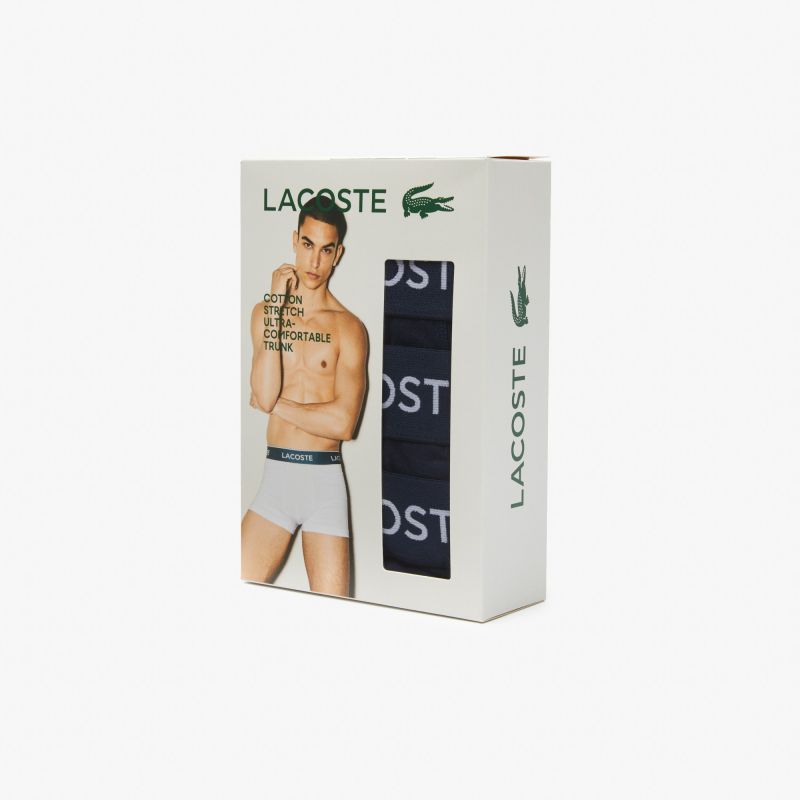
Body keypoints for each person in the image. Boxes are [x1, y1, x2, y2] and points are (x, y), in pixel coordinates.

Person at [241, 195, 367, 597]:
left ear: (338, 254)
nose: (314, 261)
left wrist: (276, 404)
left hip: (324, 482)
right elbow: (264, 391)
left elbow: (343, 423)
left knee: (334, 613)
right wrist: (276, 306)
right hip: (276, 480)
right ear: (295, 240)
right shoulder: (266, 312)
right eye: (308, 244)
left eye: (326, 250)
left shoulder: (349, 328)